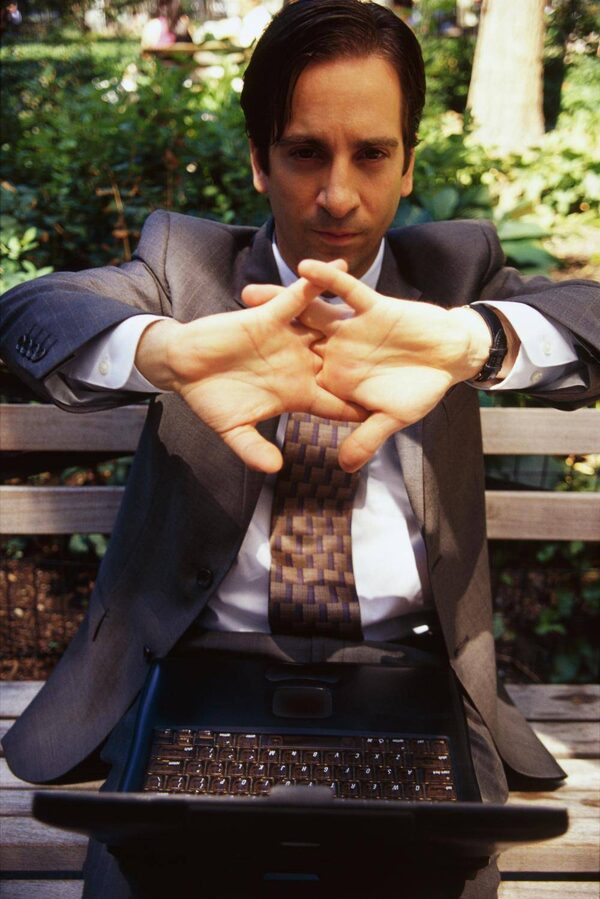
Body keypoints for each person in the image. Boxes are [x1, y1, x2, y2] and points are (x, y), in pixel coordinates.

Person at [1, 1, 599, 896]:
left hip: (414, 677)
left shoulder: (454, 274)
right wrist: (163, 351)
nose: (338, 195)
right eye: (305, 152)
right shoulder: (186, 267)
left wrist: (471, 342)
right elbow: (28, 313)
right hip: (194, 673)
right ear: (259, 159)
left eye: (373, 154)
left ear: (408, 163)